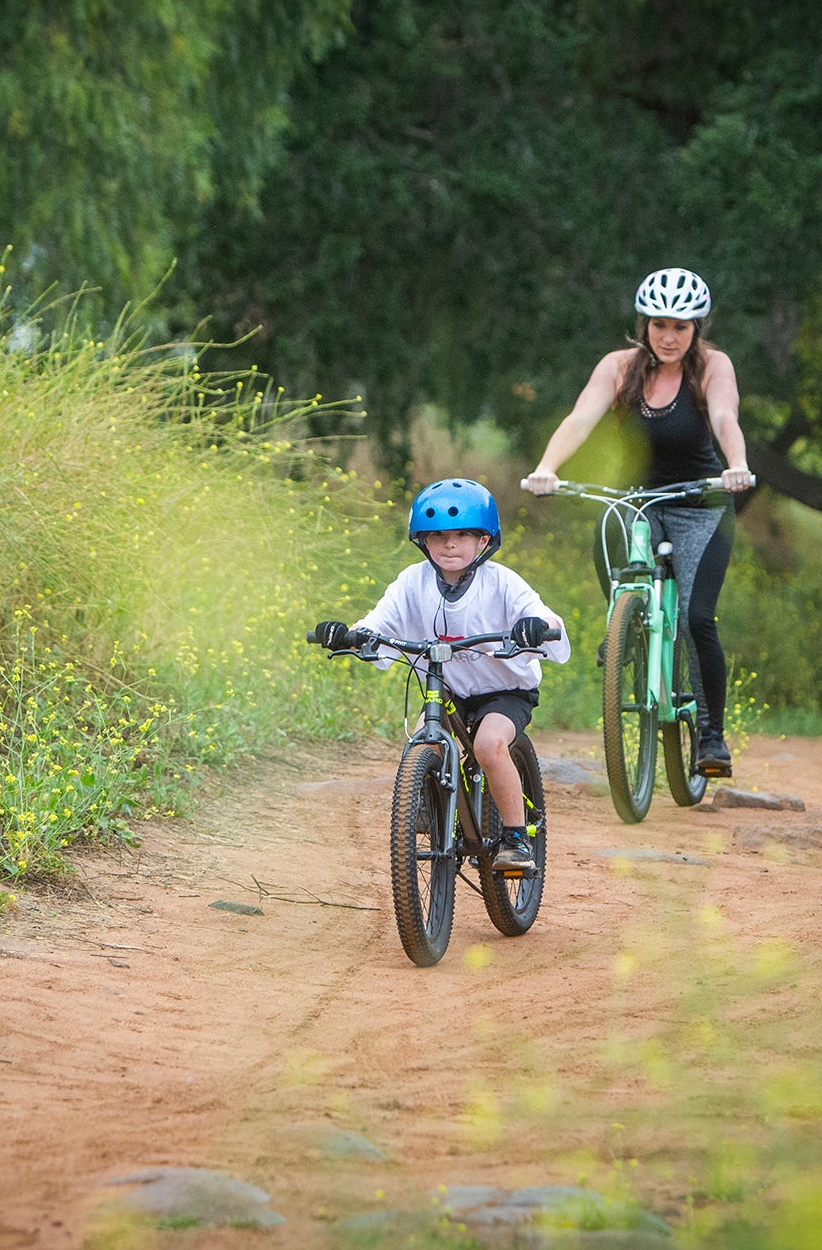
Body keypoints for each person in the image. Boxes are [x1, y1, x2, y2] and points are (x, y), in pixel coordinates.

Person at [522, 268, 753, 776]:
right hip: (638, 499)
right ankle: (624, 620)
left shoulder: (712, 367)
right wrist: (547, 468)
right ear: (643, 324)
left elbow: (723, 417)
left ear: (697, 328)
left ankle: (711, 737)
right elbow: (581, 418)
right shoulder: (619, 367)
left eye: (681, 327)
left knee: (696, 619)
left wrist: (735, 465)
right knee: (608, 525)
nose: (669, 337)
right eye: (659, 325)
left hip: (700, 503)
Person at [314, 479, 570, 872]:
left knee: (488, 745)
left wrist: (535, 626)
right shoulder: (411, 581)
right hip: (447, 688)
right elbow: (379, 623)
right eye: (437, 535)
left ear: (484, 540)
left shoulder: (501, 582)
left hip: (503, 691)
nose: (450, 545)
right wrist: (347, 634)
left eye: (462, 534)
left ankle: (516, 837)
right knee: (423, 742)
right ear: (423, 541)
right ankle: (426, 804)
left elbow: (538, 613)